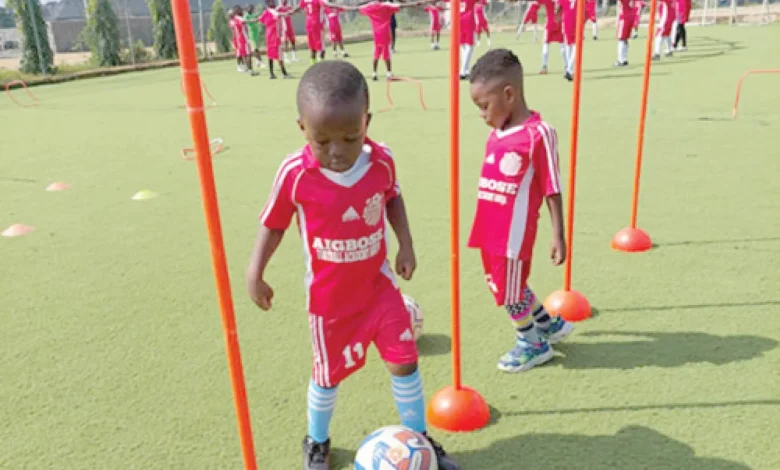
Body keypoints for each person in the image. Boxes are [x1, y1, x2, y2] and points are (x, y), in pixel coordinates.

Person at [248, 60, 460, 470]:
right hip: (329, 301)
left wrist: (406, 244)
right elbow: (273, 222)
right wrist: (255, 270)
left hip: (378, 289)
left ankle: (419, 441)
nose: (337, 151)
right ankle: (317, 441)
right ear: (302, 129)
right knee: (327, 375)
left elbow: (393, 197)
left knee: (404, 359)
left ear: (367, 122)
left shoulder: (381, 161)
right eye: (322, 141)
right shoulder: (295, 173)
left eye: (350, 137)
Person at [467, 49, 574, 373]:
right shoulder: (495, 133)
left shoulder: (538, 134)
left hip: (512, 235)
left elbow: (552, 187)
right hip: (489, 227)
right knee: (509, 284)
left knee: (509, 291)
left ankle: (532, 344)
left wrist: (558, 234)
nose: (482, 115)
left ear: (509, 94)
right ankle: (548, 326)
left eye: (484, 106)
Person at [260, 0, 292, 78]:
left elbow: (261, 20)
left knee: (270, 55)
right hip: (274, 37)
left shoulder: (265, 12)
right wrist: (289, 12)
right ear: (267, 3)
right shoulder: (272, 11)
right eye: (271, 2)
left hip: (268, 36)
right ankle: (284, 73)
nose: (273, 3)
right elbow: (279, 14)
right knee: (279, 55)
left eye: (273, 1)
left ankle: (271, 74)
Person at [538, 0, 566, 75]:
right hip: (559, 24)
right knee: (563, 45)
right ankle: (566, 66)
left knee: (546, 44)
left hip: (550, 25)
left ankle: (544, 66)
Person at [229, 6, 254, 74]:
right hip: (241, 39)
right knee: (246, 54)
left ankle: (246, 68)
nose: (242, 11)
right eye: (240, 10)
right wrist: (256, 20)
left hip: (239, 39)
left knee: (243, 54)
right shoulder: (236, 19)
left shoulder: (234, 20)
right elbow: (244, 22)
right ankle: (244, 68)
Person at [458, 0, 478, 79]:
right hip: (469, 22)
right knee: (469, 46)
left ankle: (465, 70)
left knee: (463, 47)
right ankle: (463, 71)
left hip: (459, 21)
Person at [558, 0, 578, 81]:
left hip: (566, 24)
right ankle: (569, 70)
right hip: (576, 25)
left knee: (568, 48)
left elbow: (557, 8)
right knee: (575, 49)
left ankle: (569, 70)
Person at [615, 0, 636, 66]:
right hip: (631, 17)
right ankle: (624, 59)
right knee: (625, 39)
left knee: (621, 39)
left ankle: (621, 60)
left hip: (624, 17)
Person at [244, 4, 265, 69]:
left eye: (252, 8)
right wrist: (255, 20)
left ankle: (257, 62)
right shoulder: (246, 15)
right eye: (251, 8)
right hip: (252, 34)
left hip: (256, 33)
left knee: (257, 49)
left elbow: (257, 18)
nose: (252, 9)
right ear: (248, 9)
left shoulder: (253, 14)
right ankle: (260, 61)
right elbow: (246, 21)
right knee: (255, 49)